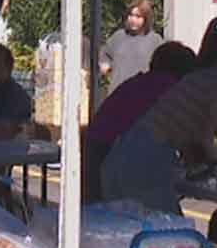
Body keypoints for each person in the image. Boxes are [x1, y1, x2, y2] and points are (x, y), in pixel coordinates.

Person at [100, 18, 217, 213]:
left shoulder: (199, 78)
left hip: (125, 158)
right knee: (167, 236)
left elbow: (202, 144)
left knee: (155, 235)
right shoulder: (215, 85)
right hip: (144, 164)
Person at [82, 40, 197, 203]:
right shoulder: (170, 88)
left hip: (95, 149)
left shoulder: (137, 83)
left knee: (99, 217)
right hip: (118, 158)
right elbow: (184, 137)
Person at [100, 0, 162, 96]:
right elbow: (105, 53)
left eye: (138, 16)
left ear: (146, 19)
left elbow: (162, 67)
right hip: (117, 93)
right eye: (131, 15)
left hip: (143, 94)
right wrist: (104, 64)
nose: (133, 19)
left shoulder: (155, 40)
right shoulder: (118, 36)